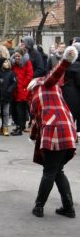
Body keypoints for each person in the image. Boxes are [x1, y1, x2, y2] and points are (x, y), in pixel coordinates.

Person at [28, 46, 78, 218]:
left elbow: (55, 74)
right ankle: (68, 208)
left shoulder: (45, 84)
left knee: (50, 171)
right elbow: (37, 121)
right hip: (66, 131)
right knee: (57, 171)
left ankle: (39, 207)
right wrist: (33, 136)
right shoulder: (40, 94)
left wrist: (66, 60)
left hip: (56, 131)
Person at [10, 48, 33, 136]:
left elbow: (29, 75)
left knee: (21, 110)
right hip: (14, 89)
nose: (17, 58)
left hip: (22, 90)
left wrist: (22, 84)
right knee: (14, 110)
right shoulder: (13, 64)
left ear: (22, 56)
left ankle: (20, 127)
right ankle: (18, 125)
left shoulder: (27, 63)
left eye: (18, 56)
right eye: (15, 56)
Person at [0, 57, 17, 136]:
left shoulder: (11, 73)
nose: (7, 63)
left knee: (6, 112)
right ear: (0, 64)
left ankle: (5, 127)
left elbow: (14, 83)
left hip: (7, 96)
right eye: (5, 62)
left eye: (8, 62)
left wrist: (10, 90)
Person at [61, 42, 80, 136]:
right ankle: (74, 135)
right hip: (74, 94)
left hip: (64, 92)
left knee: (68, 115)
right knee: (74, 115)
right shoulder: (77, 65)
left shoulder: (65, 63)